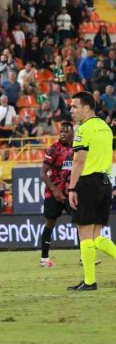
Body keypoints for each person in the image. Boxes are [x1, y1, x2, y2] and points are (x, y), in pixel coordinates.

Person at [66, 92, 116, 291]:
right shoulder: (105, 127)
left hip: (88, 183)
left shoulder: (83, 129)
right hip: (105, 182)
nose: (71, 110)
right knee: (96, 236)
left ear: (86, 108)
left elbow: (79, 160)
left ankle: (89, 281)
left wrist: (72, 188)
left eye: (74, 106)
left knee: (85, 232)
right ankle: (88, 280)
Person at [39, 122, 74, 267]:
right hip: (53, 193)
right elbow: (43, 172)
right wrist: (54, 190)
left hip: (71, 192)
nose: (63, 134)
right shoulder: (53, 149)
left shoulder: (77, 149)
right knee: (50, 223)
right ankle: (44, 259)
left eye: (66, 131)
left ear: (73, 133)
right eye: (62, 131)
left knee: (81, 222)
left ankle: (84, 258)